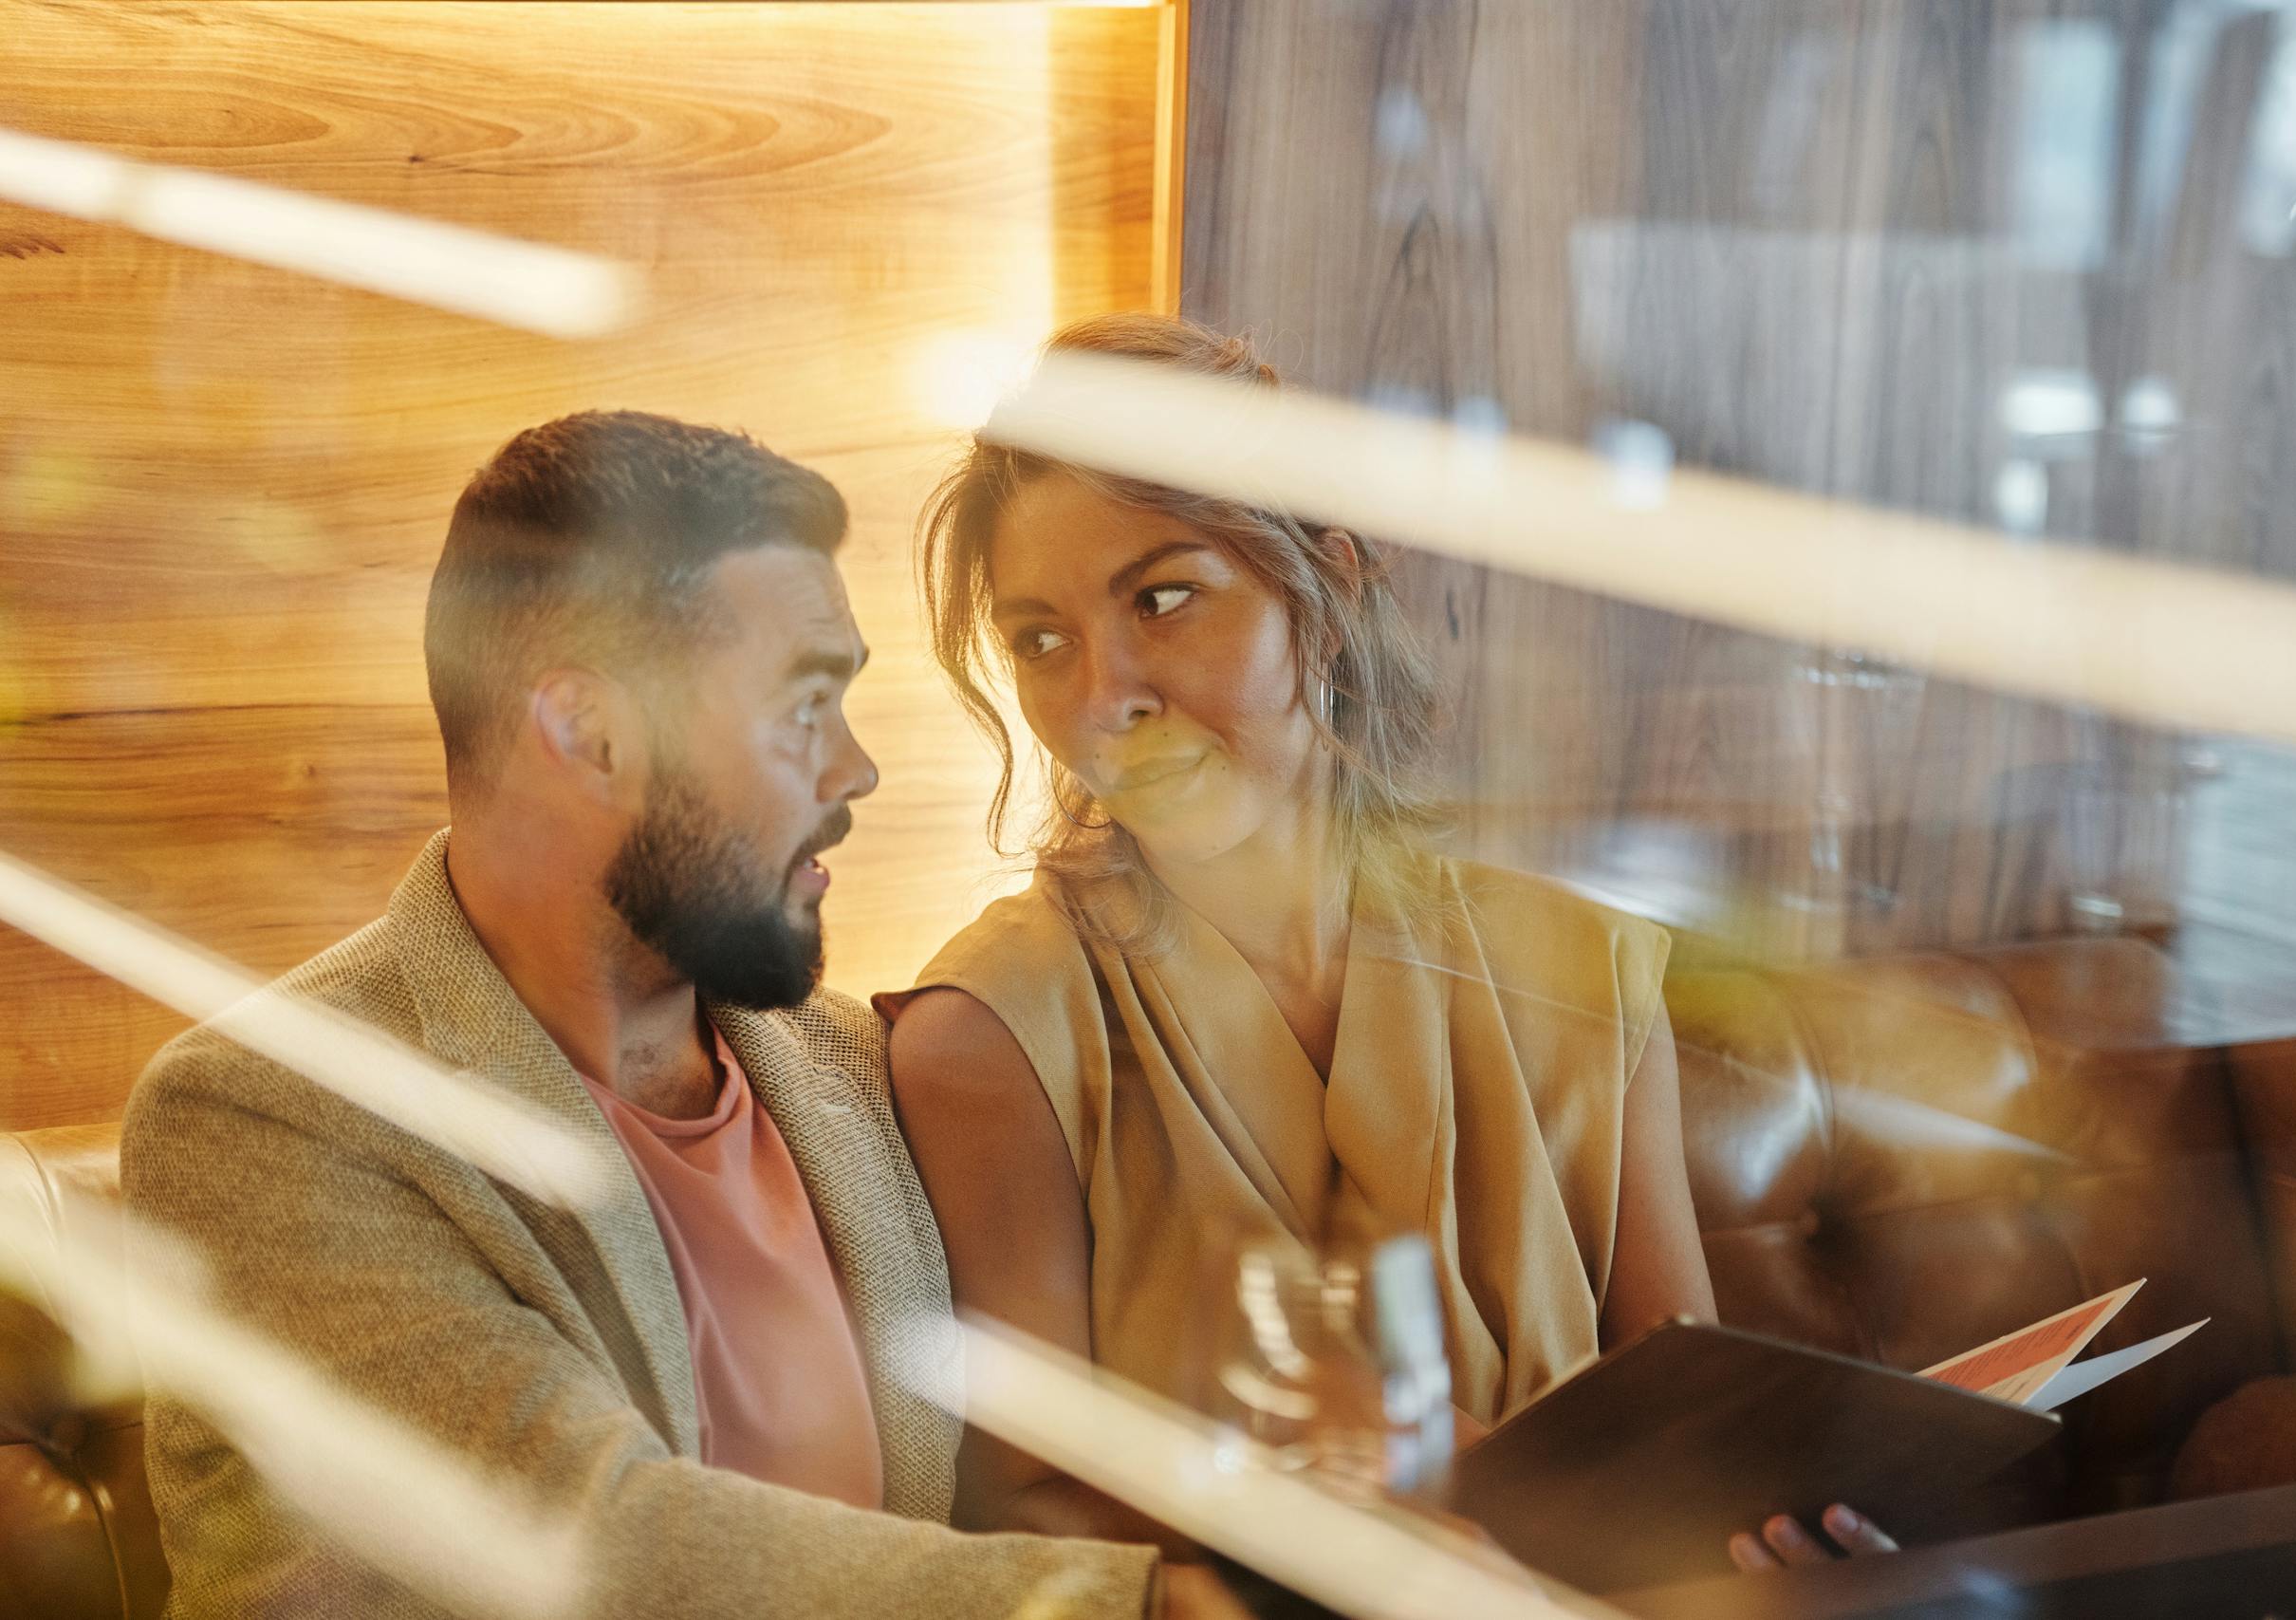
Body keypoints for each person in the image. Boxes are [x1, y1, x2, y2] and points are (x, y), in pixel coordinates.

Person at [120, 411, 1246, 1618]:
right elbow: (592, 1539)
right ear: (591, 734)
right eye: (802, 706)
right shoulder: (263, 1118)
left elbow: (1035, 1467)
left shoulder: (858, 1070)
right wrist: (1149, 1607)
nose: (855, 769)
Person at [881, 316, 1895, 1574]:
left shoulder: (1578, 969)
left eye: (1163, 597)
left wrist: (1780, 1528)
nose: (1103, 697)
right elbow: (1021, 1503)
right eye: (1040, 640)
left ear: (1336, 588)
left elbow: (1686, 1424)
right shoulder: (990, 1032)